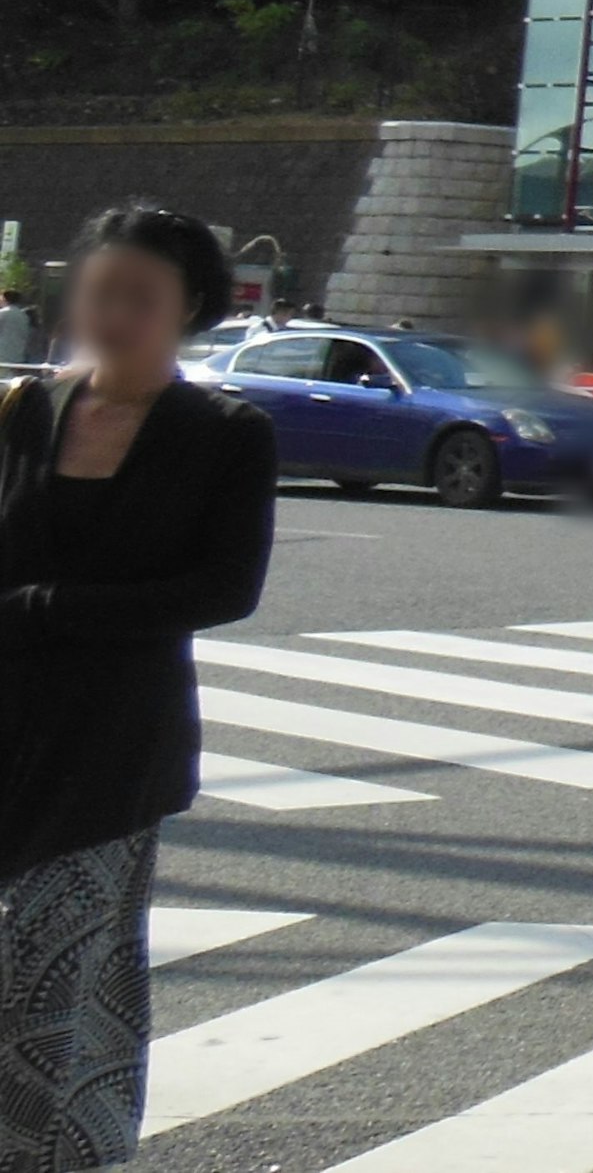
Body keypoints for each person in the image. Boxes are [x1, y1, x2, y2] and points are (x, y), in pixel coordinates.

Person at [0, 202, 279, 1173]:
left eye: (139, 296)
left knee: (50, 977)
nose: (111, 311)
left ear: (188, 306)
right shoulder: (28, 409)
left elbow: (224, 587)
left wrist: (51, 606)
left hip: (115, 745)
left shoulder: (227, 431)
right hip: (8, 719)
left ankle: (61, 1153)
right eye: (98, 289)